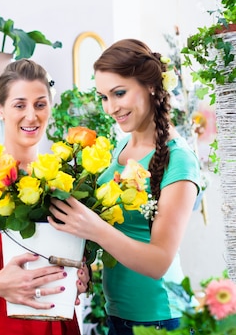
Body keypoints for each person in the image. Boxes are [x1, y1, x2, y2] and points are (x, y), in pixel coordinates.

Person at [48, 39, 202, 335]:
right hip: (118, 316)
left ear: (151, 86)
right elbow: (115, 233)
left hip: (162, 320)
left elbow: (159, 261)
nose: (111, 108)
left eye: (119, 93)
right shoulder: (121, 146)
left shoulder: (179, 160)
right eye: (104, 97)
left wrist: (92, 228)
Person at [0, 59, 89, 335]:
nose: (31, 116)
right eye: (20, 105)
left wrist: (80, 275)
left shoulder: (62, 181)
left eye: (40, 104)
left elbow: (70, 253)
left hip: (55, 322)